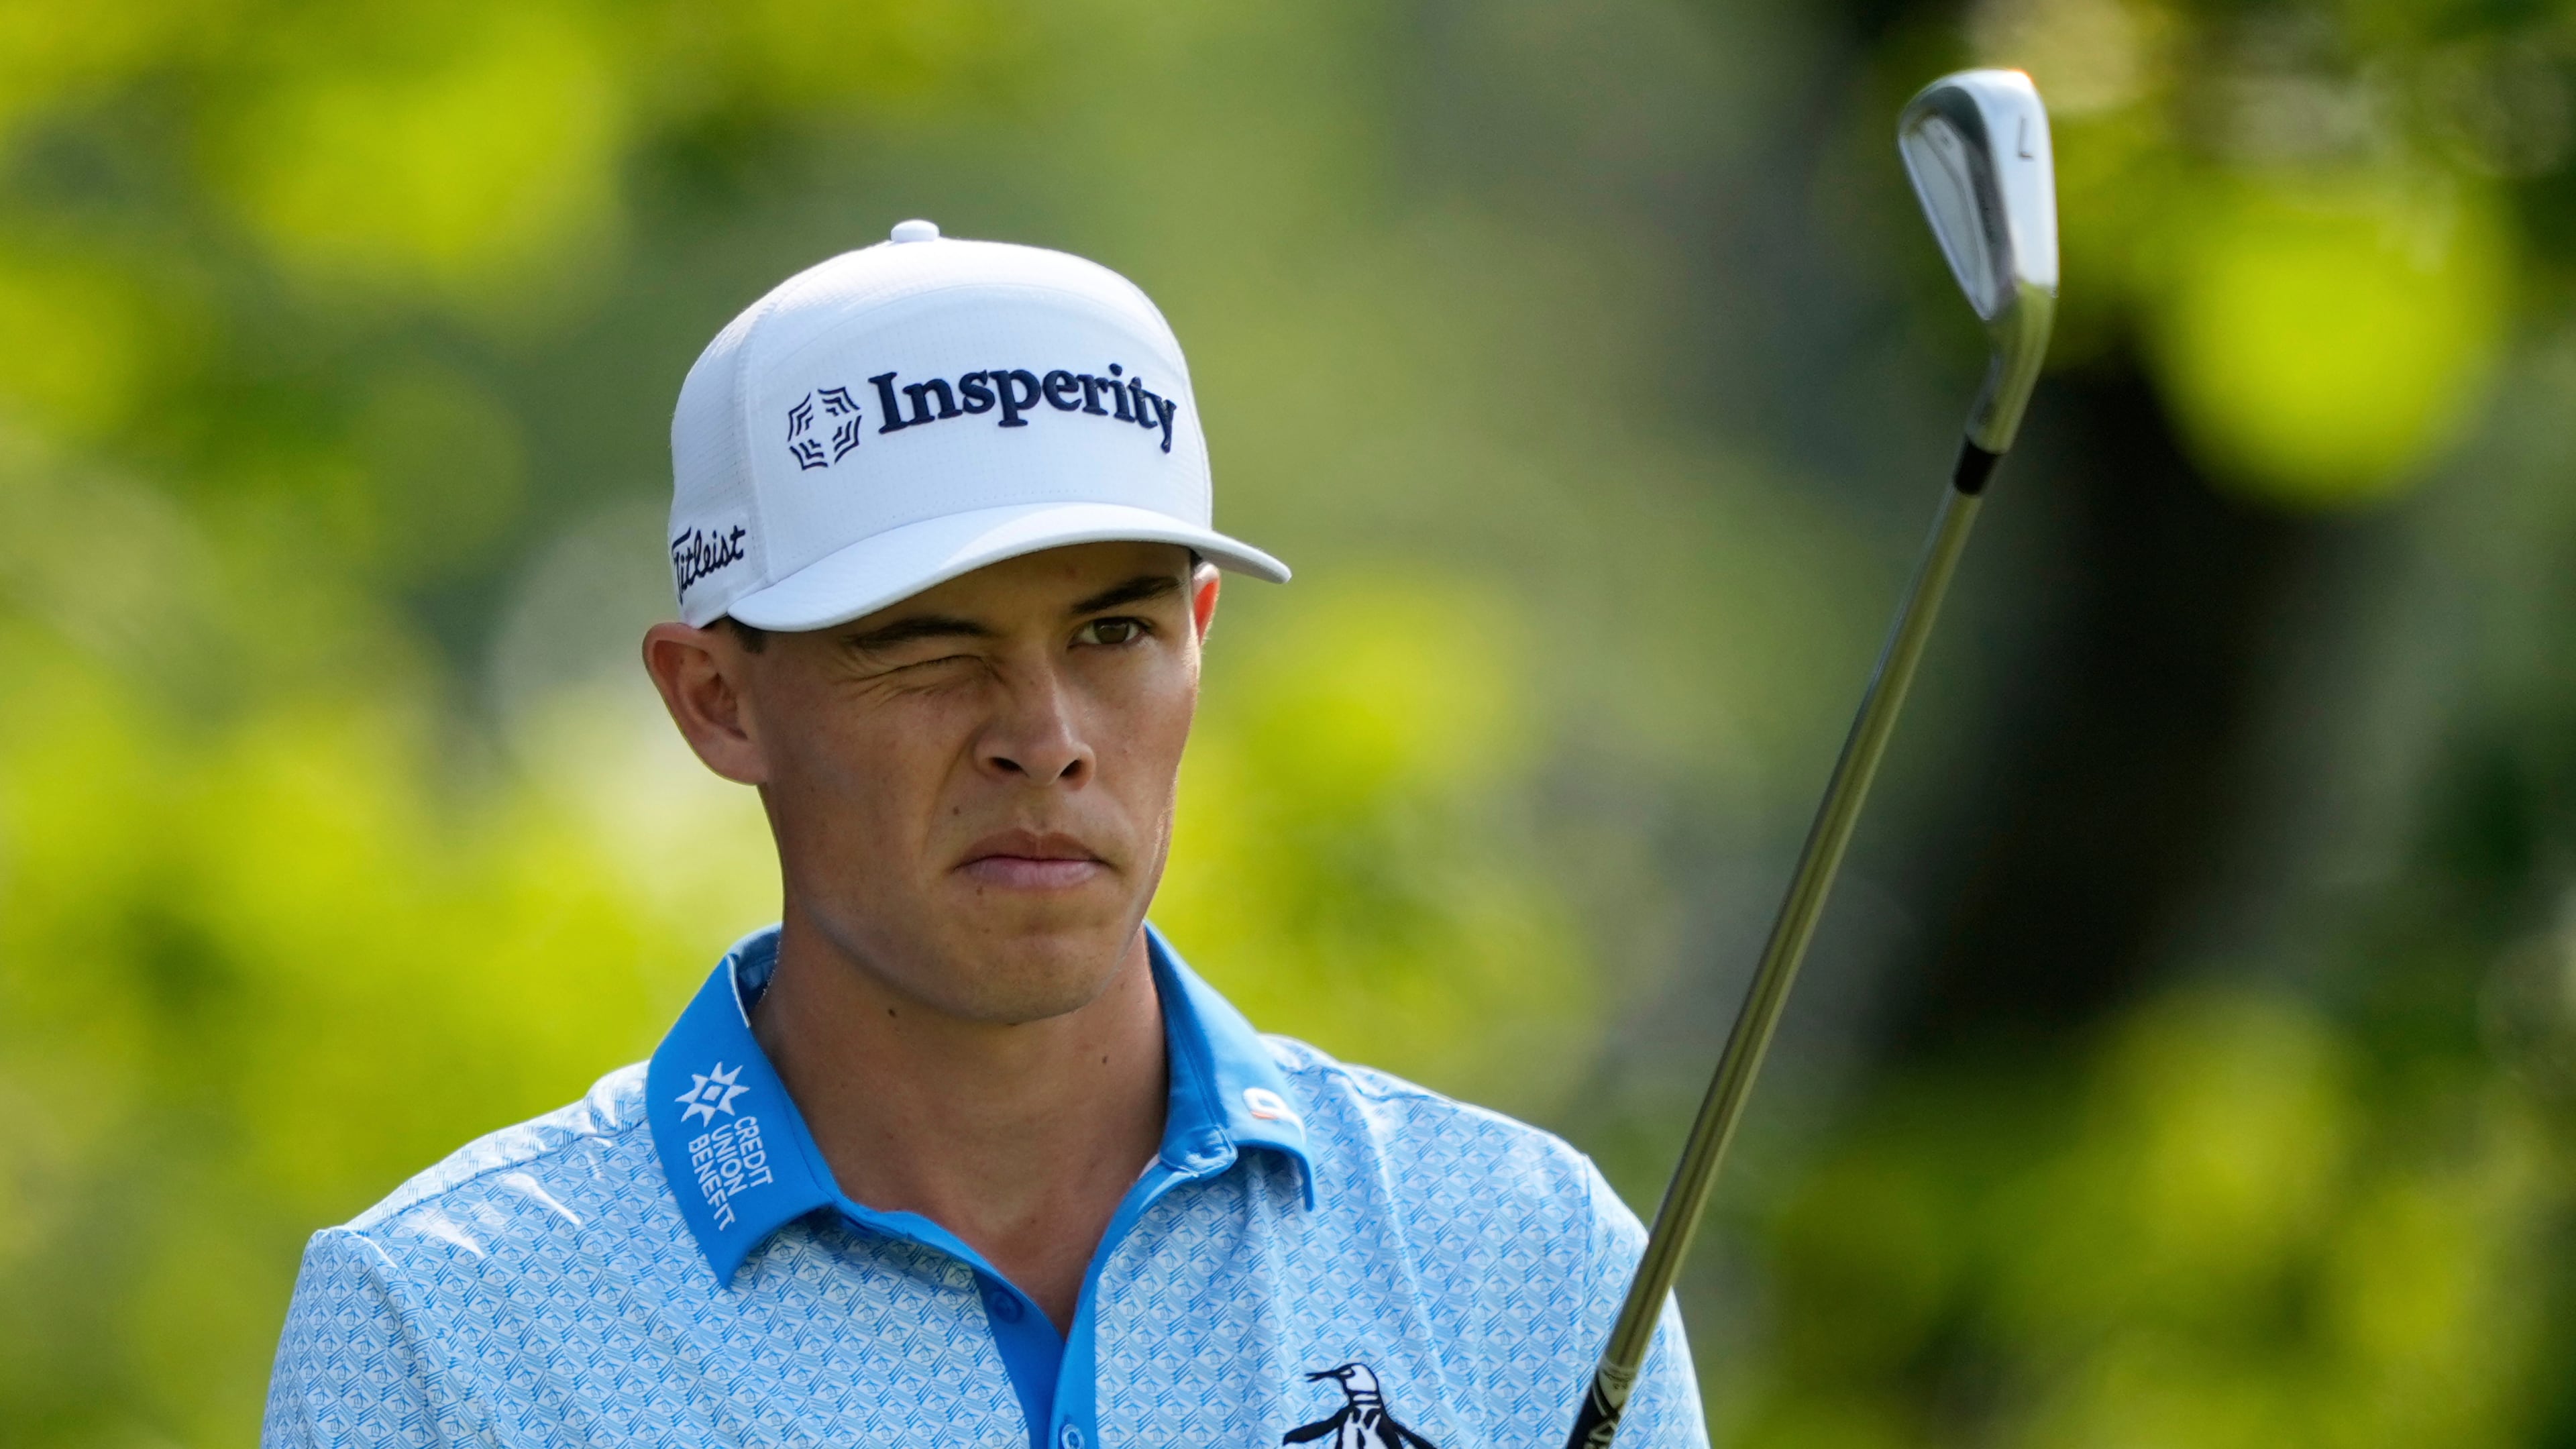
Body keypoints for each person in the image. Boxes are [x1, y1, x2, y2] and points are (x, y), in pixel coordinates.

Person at [260, 220, 1705, 1449]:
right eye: (928, 647)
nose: (1048, 733)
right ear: (715, 700)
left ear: (1199, 641)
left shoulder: (1524, 1258)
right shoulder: (448, 1331)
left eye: (1115, 630)